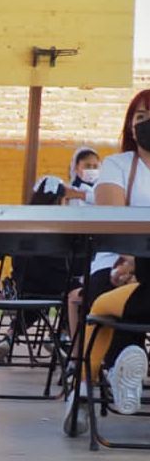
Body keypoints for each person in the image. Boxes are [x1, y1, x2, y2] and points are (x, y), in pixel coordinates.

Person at [75, 89, 150, 418]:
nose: (147, 123)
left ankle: (115, 370)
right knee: (109, 288)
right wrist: (132, 259)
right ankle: (120, 367)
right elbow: (112, 220)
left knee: (130, 295)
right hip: (116, 263)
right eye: (140, 117)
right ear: (130, 126)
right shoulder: (116, 165)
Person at [0, 175, 75, 365]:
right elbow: (74, 264)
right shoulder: (64, 226)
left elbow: (16, 262)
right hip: (59, 286)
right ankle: (60, 335)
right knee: (77, 292)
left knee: (35, 304)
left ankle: (9, 336)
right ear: (60, 200)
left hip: (25, 285)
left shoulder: (22, 224)